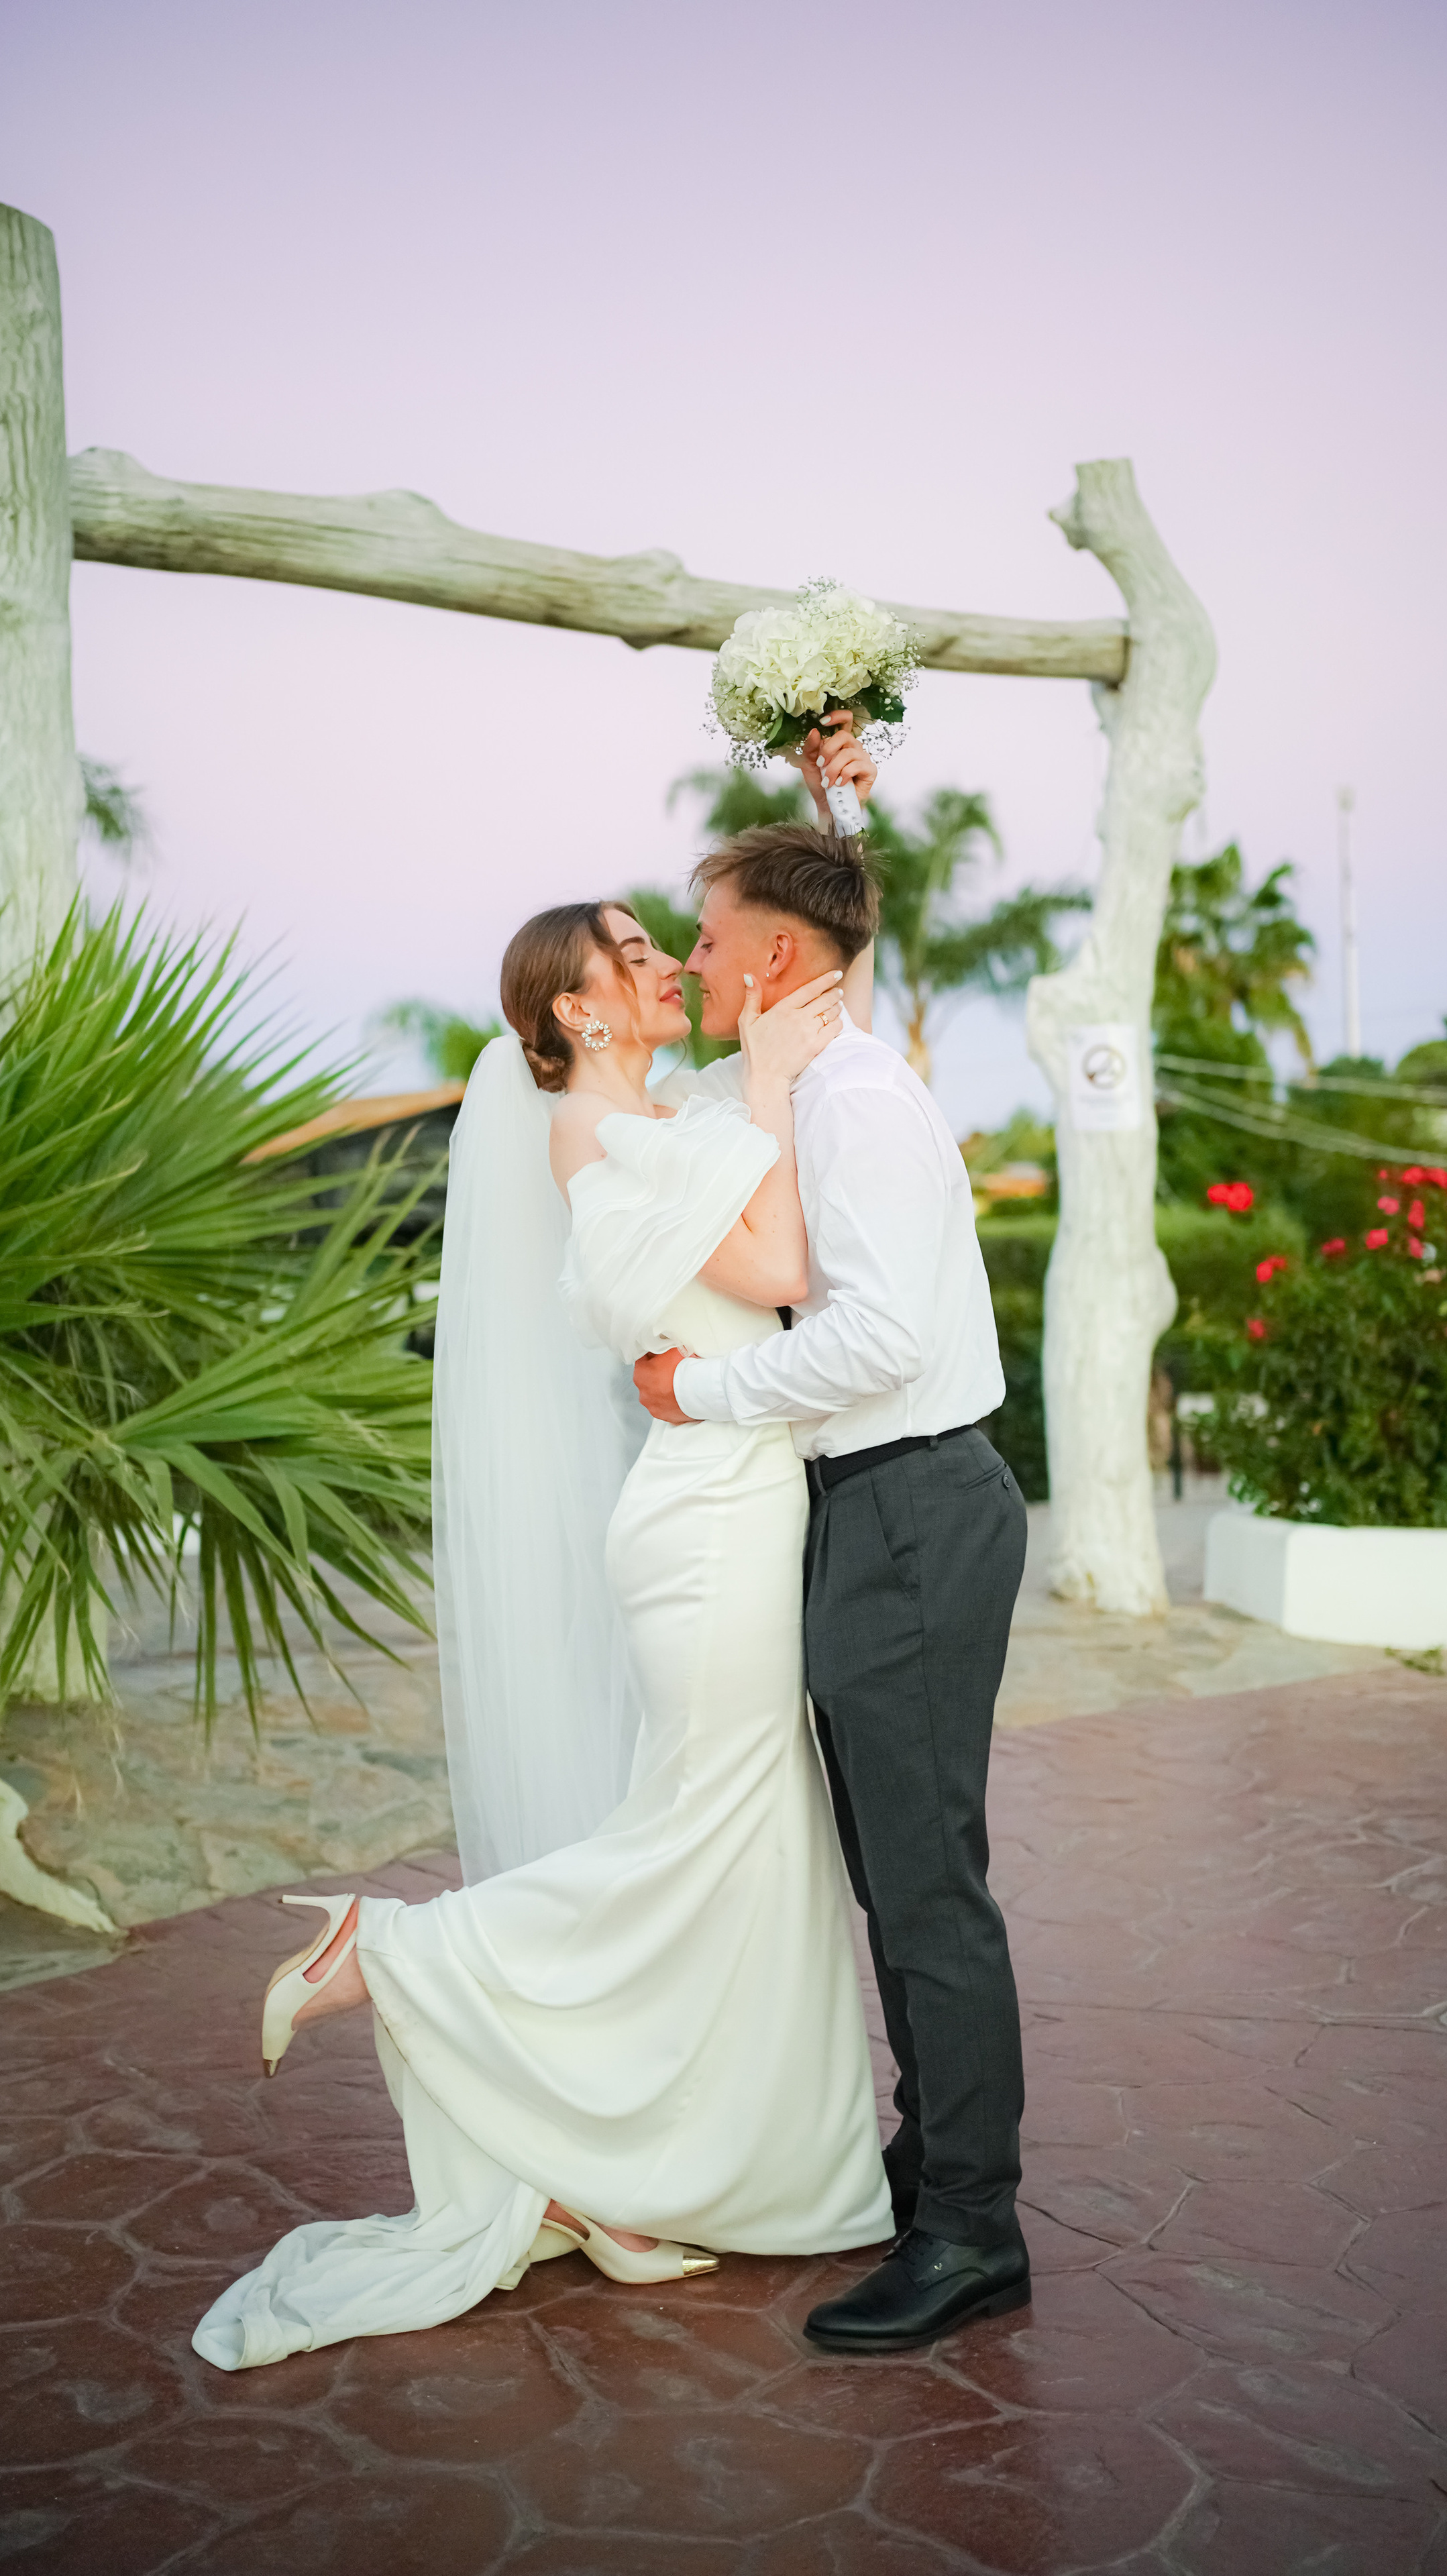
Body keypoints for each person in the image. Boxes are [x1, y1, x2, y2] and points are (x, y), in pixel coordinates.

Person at [193, 896, 891, 2371]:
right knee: (698, 1825)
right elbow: (774, 1274)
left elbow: (815, 1007)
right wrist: (764, 1092)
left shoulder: (679, 1105)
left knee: (745, 1840)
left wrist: (835, 820)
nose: (658, 971)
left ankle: (611, 2176)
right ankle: (388, 1951)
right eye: (629, 957)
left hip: (743, 1503)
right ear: (573, 1013)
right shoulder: (587, 1136)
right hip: (706, 1523)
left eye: (659, 949)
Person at [636, 712, 1032, 2355]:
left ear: (774, 954)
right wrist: (836, 798)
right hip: (872, 1513)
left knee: (924, 1886)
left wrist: (697, 1396)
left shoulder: (857, 1102)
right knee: (894, 1873)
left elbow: (870, 1336)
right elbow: (836, 961)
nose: (691, 953)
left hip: (911, 1509)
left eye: (711, 936)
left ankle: (970, 2232)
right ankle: (933, 2160)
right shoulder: (828, 1061)